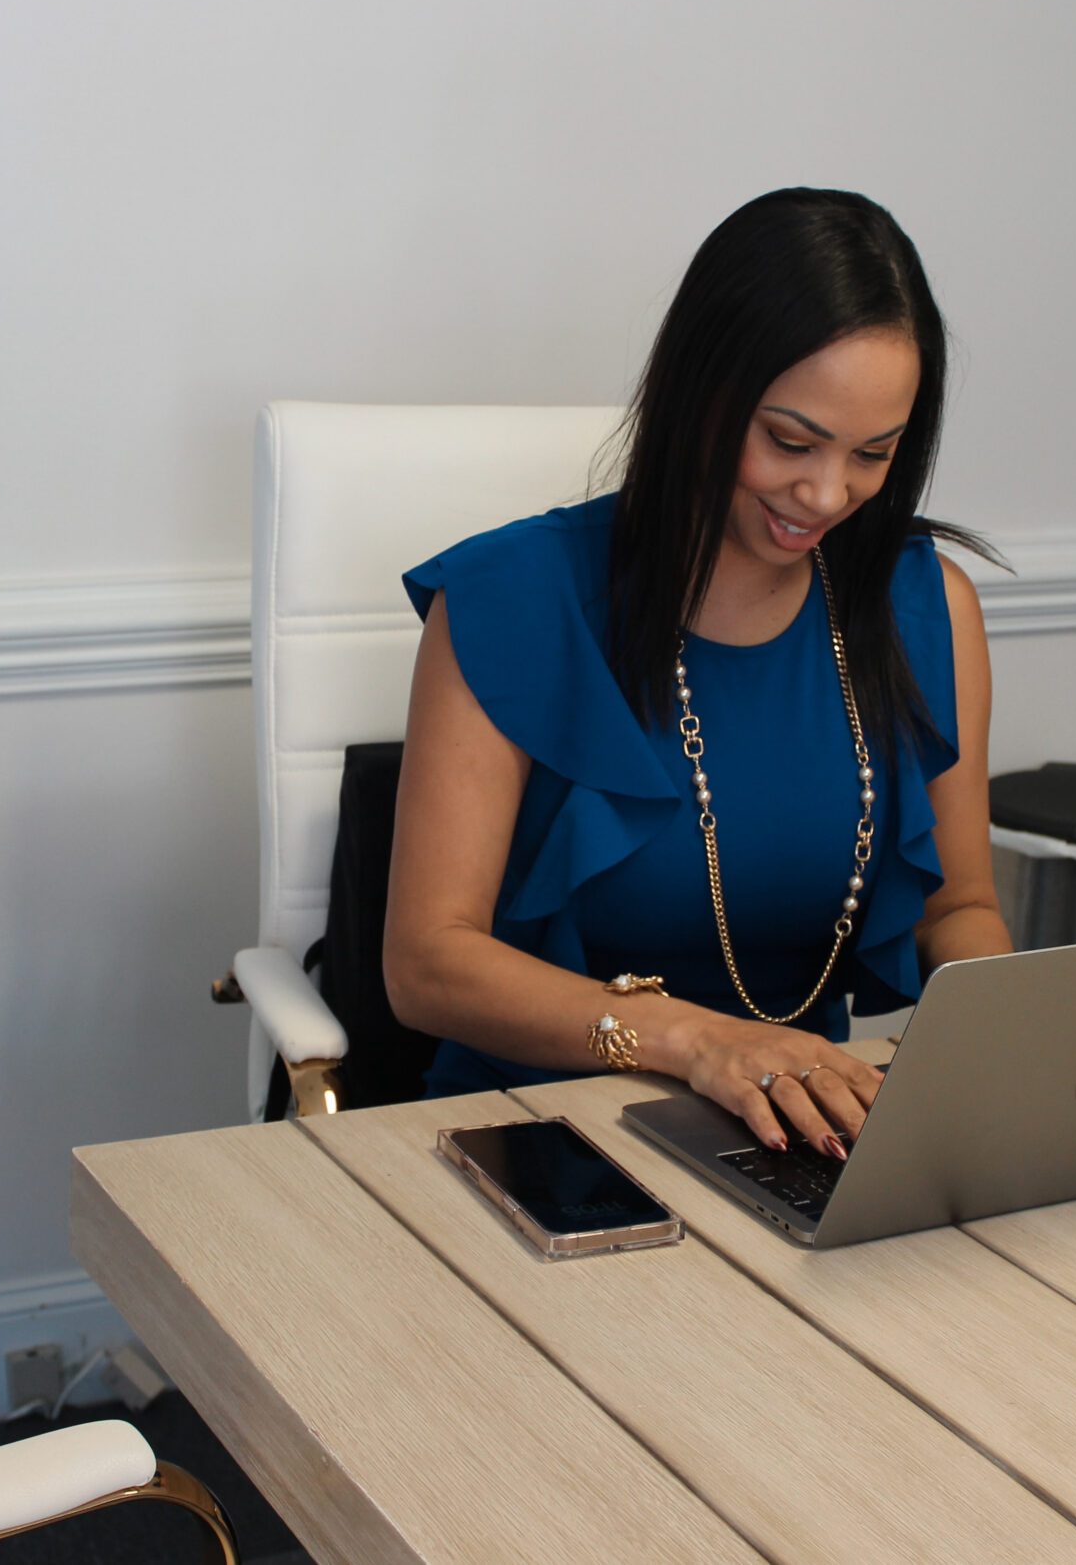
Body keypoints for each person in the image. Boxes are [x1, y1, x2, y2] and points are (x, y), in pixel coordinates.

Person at [382, 188, 1009, 1158]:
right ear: (699, 393)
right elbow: (427, 964)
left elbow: (958, 909)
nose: (827, 493)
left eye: (873, 454)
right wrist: (696, 1042)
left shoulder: (926, 606)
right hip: (535, 1132)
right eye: (790, 442)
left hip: (801, 1135)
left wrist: (994, 1045)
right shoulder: (511, 597)